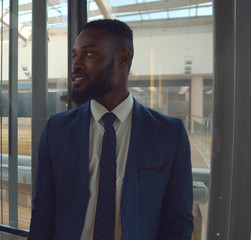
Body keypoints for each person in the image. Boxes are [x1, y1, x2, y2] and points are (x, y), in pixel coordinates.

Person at [28, 19, 194, 240]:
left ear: (122, 58)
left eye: (88, 54)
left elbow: (178, 222)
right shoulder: (56, 130)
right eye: (74, 56)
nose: (76, 65)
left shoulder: (169, 134)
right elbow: (43, 213)